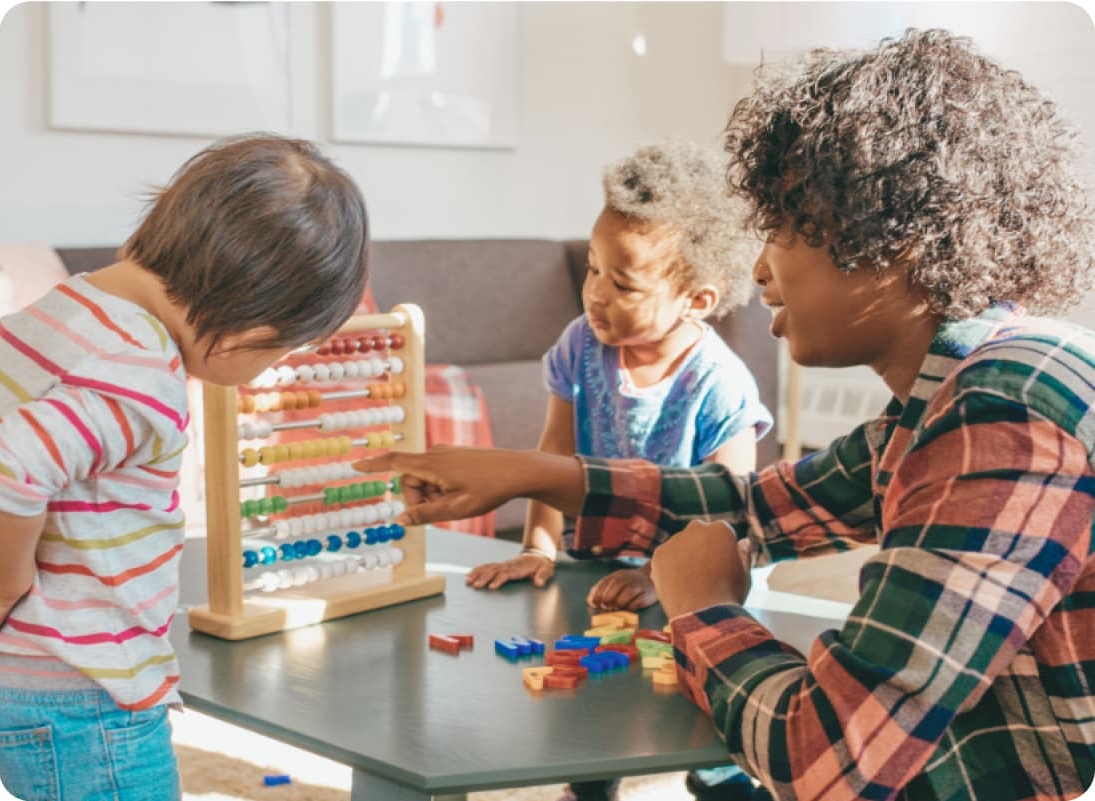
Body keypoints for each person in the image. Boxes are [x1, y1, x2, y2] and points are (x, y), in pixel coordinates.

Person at [360, 28, 1095, 801]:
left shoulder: (999, 417)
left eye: (779, 231)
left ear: (895, 242)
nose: (756, 269)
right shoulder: (952, 397)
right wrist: (529, 474)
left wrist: (703, 605)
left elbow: (827, 758)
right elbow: (756, 503)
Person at [0, 133, 370, 801]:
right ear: (241, 334)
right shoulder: (143, 371)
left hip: (28, 678)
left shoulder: (59, 311)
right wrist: (5, 580)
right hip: (92, 694)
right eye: (276, 354)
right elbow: (12, 462)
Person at [467, 140, 773, 801]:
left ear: (696, 297)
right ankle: (589, 784)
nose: (597, 294)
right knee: (591, 711)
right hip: (593, 577)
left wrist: (659, 582)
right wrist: (537, 546)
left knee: (694, 713)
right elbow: (555, 456)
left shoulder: (719, 383)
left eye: (623, 283)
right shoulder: (580, 345)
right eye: (593, 270)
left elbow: (733, 508)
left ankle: (723, 779)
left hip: (696, 591)